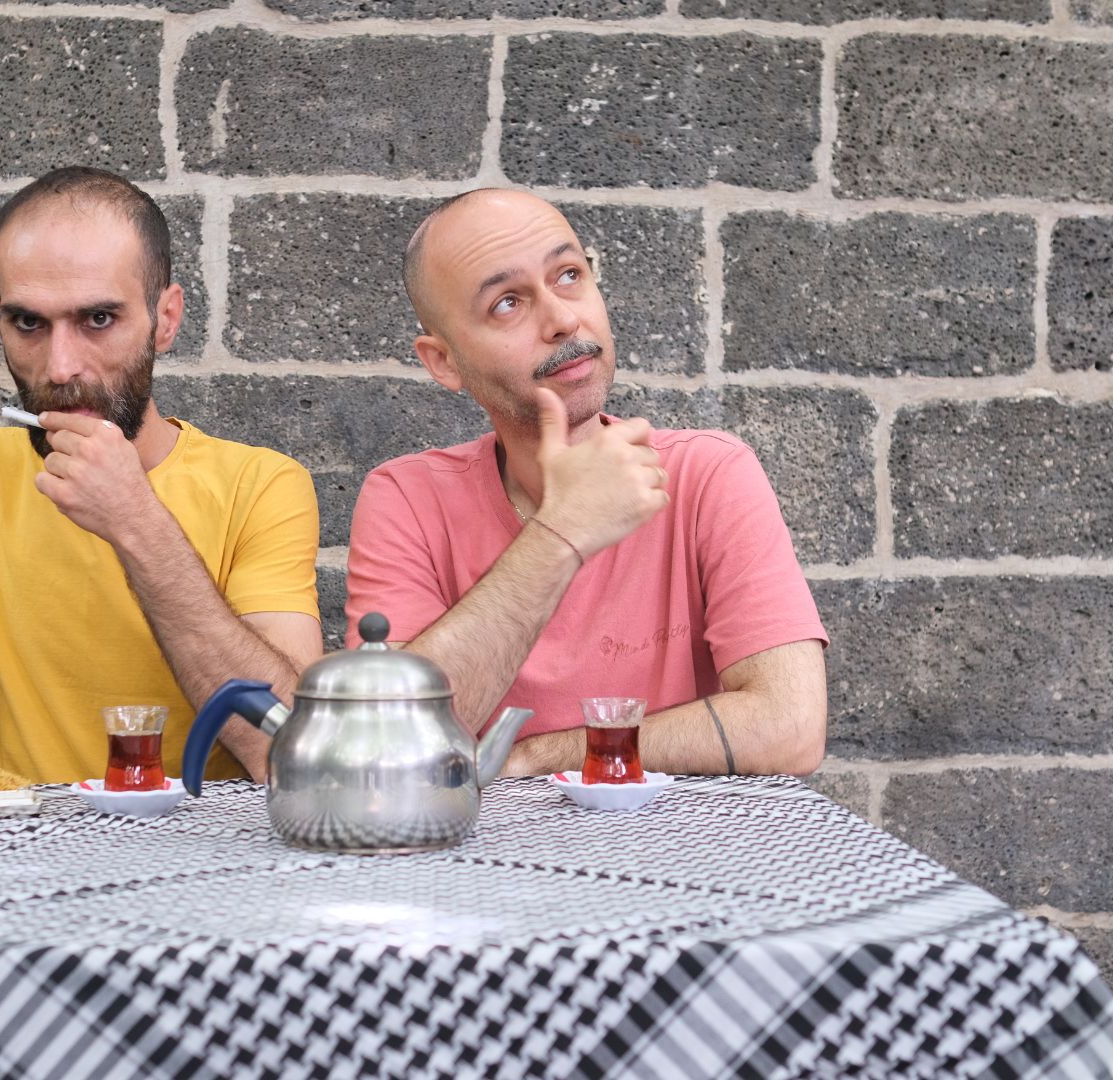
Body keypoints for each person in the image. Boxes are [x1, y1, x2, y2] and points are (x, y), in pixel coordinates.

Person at [0, 167, 321, 836]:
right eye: (28, 323)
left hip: (208, 862)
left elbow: (292, 753)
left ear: (165, 319)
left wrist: (135, 521)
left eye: (98, 319)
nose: (60, 367)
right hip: (28, 860)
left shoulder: (260, 485)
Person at [344, 188, 827, 777]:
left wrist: (537, 755)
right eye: (506, 303)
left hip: (683, 834)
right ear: (443, 361)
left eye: (569, 275)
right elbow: (388, 746)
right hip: (487, 838)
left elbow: (790, 728)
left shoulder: (708, 475)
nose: (563, 320)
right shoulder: (408, 499)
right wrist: (561, 532)